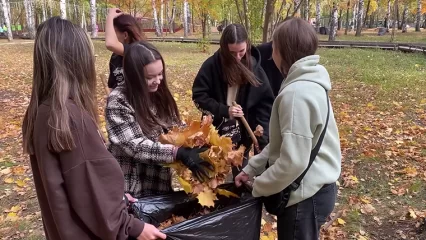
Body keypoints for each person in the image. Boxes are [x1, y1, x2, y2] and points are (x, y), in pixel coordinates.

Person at [22, 17, 165, 240]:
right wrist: (132, 226)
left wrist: (121, 199)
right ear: (77, 61)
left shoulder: (43, 112)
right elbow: (94, 188)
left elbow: (77, 185)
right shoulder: (69, 119)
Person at [235, 18, 341, 239]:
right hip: (316, 189)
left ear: (282, 49)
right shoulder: (312, 82)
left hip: (305, 196)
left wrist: (259, 186)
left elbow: (293, 161)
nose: (271, 51)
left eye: (274, 45)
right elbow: (284, 142)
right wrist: (251, 168)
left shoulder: (296, 94)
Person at [106, 41, 213, 198]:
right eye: (150, 77)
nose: (157, 80)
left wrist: (196, 142)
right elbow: (136, 146)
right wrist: (178, 153)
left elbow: (176, 127)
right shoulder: (118, 101)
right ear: (134, 76)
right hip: (131, 186)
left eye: (160, 74)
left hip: (158, 182)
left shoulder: (159, 94)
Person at [192, 23, 274, 178]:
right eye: (232, 53)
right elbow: (199, 96)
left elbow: (265, 105)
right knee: (211, 175)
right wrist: (225, 110)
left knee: (241, 175)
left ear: (247, 45)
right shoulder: (211, 66)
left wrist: (262, 139)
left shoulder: (254, 68)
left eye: (241, 51)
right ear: (224, 47)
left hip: (243, 135)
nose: (237, 57)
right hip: (215, 132)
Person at [105, 8, 145, 90]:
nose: (111, 35)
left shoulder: (138, 50)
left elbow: (110, 44)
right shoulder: (115, 56)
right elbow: (112, 85)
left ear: (125, 35)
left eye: (114, 32)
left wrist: (109, 18)